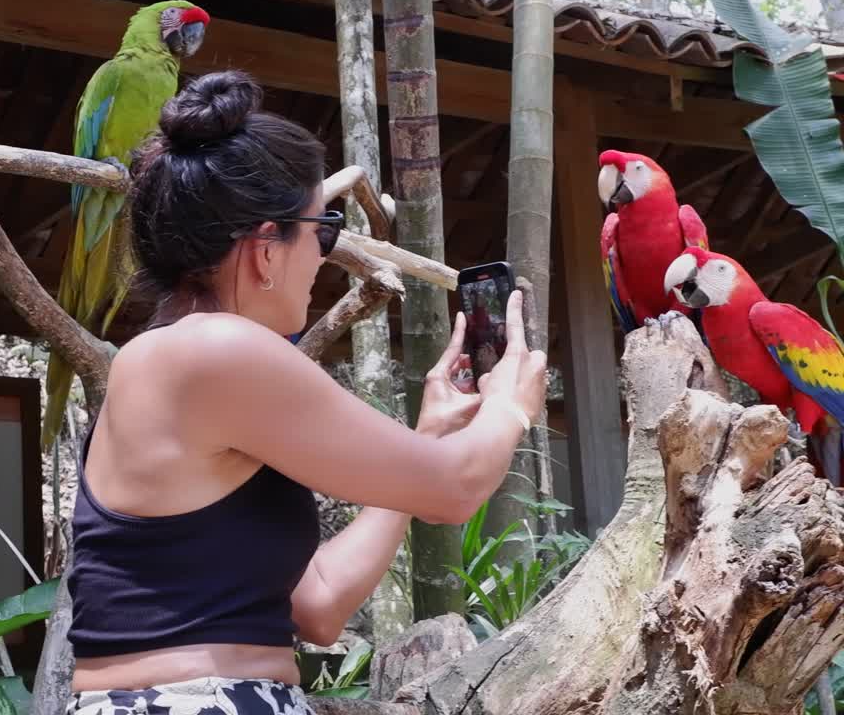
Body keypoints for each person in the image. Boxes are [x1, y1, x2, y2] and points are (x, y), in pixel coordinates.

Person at [64, 70, 548, 715]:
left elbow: (317, 603)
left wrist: (426, 440)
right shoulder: (217, 350)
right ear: (266, 248)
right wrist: (511, 404)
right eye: (323, 229)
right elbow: (456, 488)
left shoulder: (169, 357)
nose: (324, 255)